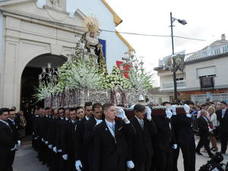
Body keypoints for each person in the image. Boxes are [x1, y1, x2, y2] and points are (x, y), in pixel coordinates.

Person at [92, 103, 135, 171]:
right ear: (105, 112)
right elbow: (97, 150)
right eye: (112, 110)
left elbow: (132, 133)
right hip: (107, 165)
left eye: (115, 110)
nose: (115, 112)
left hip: (121, 163)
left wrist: (125, 118)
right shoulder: (98, 128)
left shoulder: (120, 123)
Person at [129, 104, 157, 171]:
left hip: (148, 152)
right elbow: (130, 141)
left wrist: (150, 120)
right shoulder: (131, 122)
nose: (143, 114)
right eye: (141, 112)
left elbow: (154, 132)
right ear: (135, 112)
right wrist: (129, 158)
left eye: (144, 112)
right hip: (137, 154)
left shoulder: (147, 120)